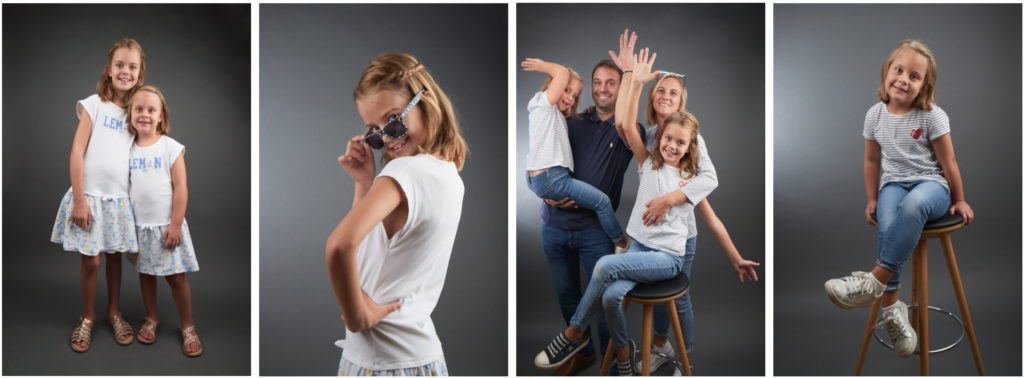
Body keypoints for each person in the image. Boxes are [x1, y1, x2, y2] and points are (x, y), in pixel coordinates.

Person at [825, 39, 974, 358]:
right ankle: (892, 310)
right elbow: (871, 162)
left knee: (914, 206)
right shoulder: (874, 115)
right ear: (886, 73)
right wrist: (871, 198)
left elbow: (949, 164)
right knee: (888, 223)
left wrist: (960, 199)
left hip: (931, 186)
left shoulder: (932, 116)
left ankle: (874, 284)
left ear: (924, 86)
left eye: (915, 76)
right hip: (893, 184)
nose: (904, 79)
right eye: (899, 70)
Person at [326, 53, 468, 376]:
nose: (387, 137)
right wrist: (365, 182)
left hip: (383, 364)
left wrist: (357, 314)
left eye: (392, 120)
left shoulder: (404, 172)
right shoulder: (449, 175)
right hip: (421, 359)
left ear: (425, 101)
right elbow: (372, 261)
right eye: (374, 131)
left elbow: (340, 246)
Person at [50, 38, 146, 352]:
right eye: (120, 64)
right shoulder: (94, 104)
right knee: (91, 261)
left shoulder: (137, 112)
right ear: (109, 70)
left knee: (114, 256)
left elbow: (145, 151)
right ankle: (88, 317)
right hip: (90, 196)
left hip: (119, 199)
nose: (125, 71)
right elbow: (77, 151)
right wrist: (79, 199)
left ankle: (114, 312)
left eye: (132, 66)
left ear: (139, 73)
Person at [123, 85, 203, 357]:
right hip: (140, 227)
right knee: (146, 274)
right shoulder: (128, 148)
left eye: (151, 110)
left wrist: (176, 223)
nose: (144, 114)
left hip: (167, 226)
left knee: (176, 278)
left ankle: (188, 325)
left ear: (161, 116)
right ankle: (152, 317)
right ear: (131, 114)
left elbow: (181, 188)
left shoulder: (170, 147)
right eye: (138, 109)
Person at [522, 57, 630, 252]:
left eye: (575, 95)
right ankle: (623, 243)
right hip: (552, 177)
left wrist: (587, 113)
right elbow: (562, 73)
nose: (570, 98)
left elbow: (567, 121)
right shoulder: (542, 104)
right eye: (566, 89)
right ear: (552, 85)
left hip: (539, 178)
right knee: (602, 202)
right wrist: (541, 65)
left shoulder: (555, 115)